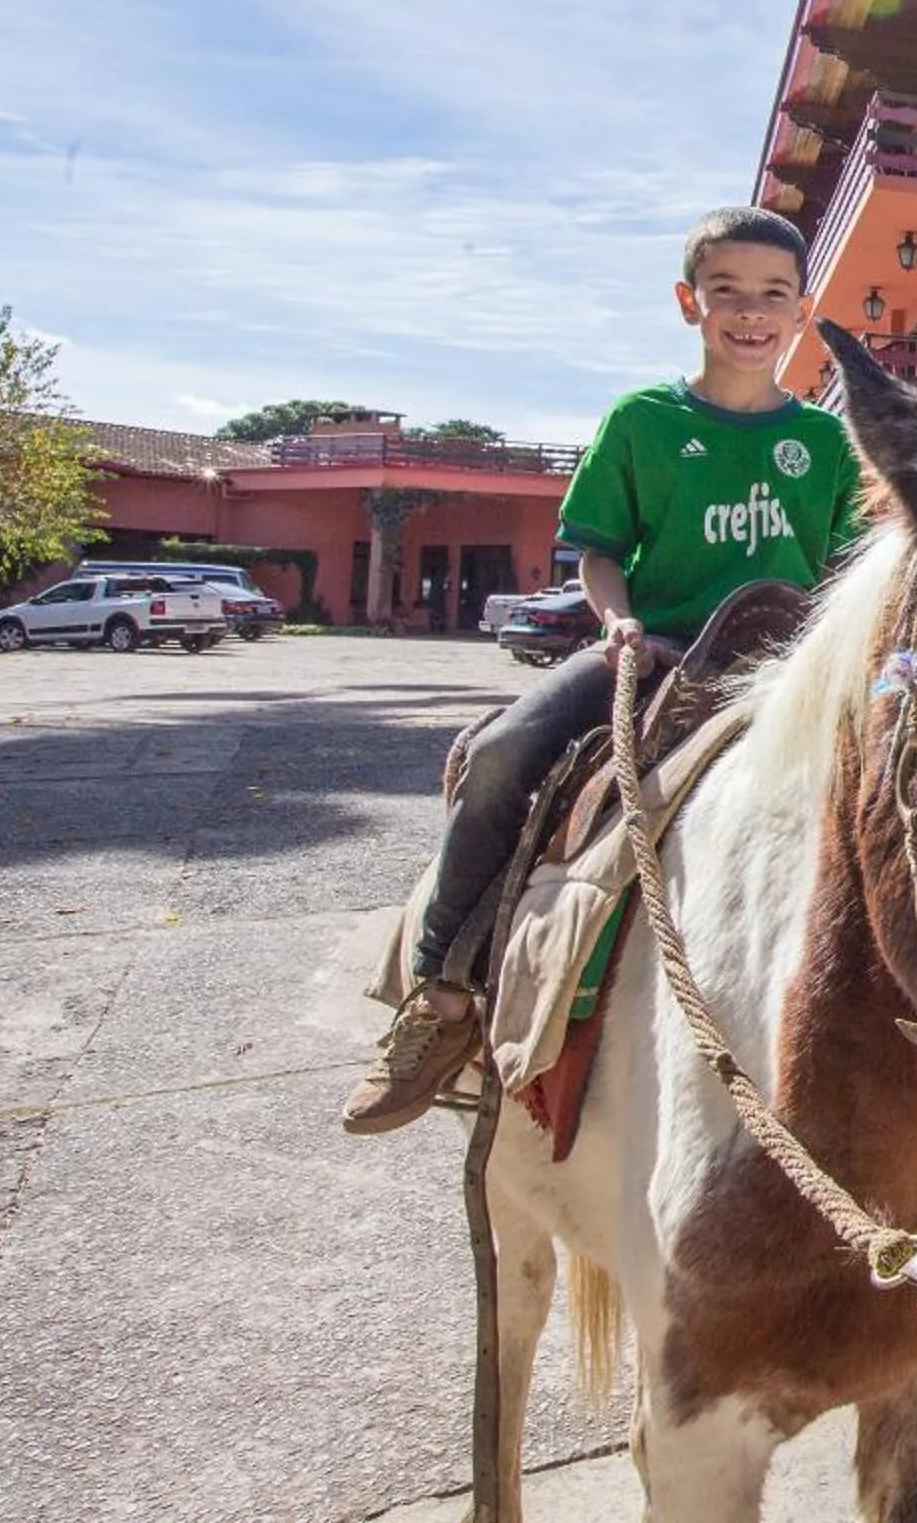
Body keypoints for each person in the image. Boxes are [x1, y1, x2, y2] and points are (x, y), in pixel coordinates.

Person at [341, 207, 868, 1135]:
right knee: (505, 753)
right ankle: (440, 997)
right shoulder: (643, 421)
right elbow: (596, 552)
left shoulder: (825, 443)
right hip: (653, 647)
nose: (750, 314)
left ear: (803, 310)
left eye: (773, 296)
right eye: (727, 293)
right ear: (687, 302)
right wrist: (617, 619)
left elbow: (841, 572)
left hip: (780, 665)